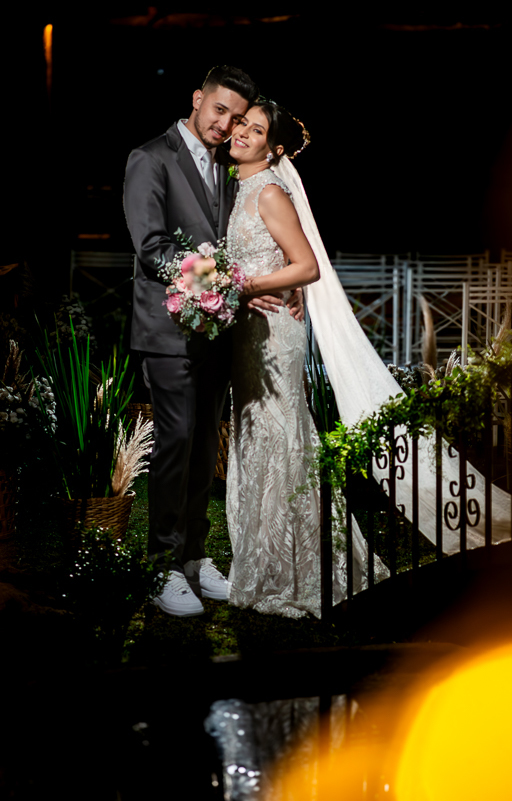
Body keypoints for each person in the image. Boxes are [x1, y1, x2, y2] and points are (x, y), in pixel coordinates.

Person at [123, 66, 296, 617]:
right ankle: (162, 566)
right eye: (219, 110)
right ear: (197, 100)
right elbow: (152, 248)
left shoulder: (227, 167)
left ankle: (195, 559)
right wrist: (221, 283)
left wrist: (248, 288)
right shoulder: (149, 158)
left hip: (218, 331)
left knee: (203, 449)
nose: (226, 124)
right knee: (175, 442)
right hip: (167, 330)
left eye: (237, 117)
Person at [224, 101, 386, 618]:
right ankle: (261, 555)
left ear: (274, 148)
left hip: (275, 335)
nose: (243, 133)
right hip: (249, 330)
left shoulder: (269, 191)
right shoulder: (238, 188)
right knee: (255, 432)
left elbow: (307, 266)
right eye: (242, 124)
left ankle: (292, 567)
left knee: (280, 434)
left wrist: (243, 284)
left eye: (256, 129)